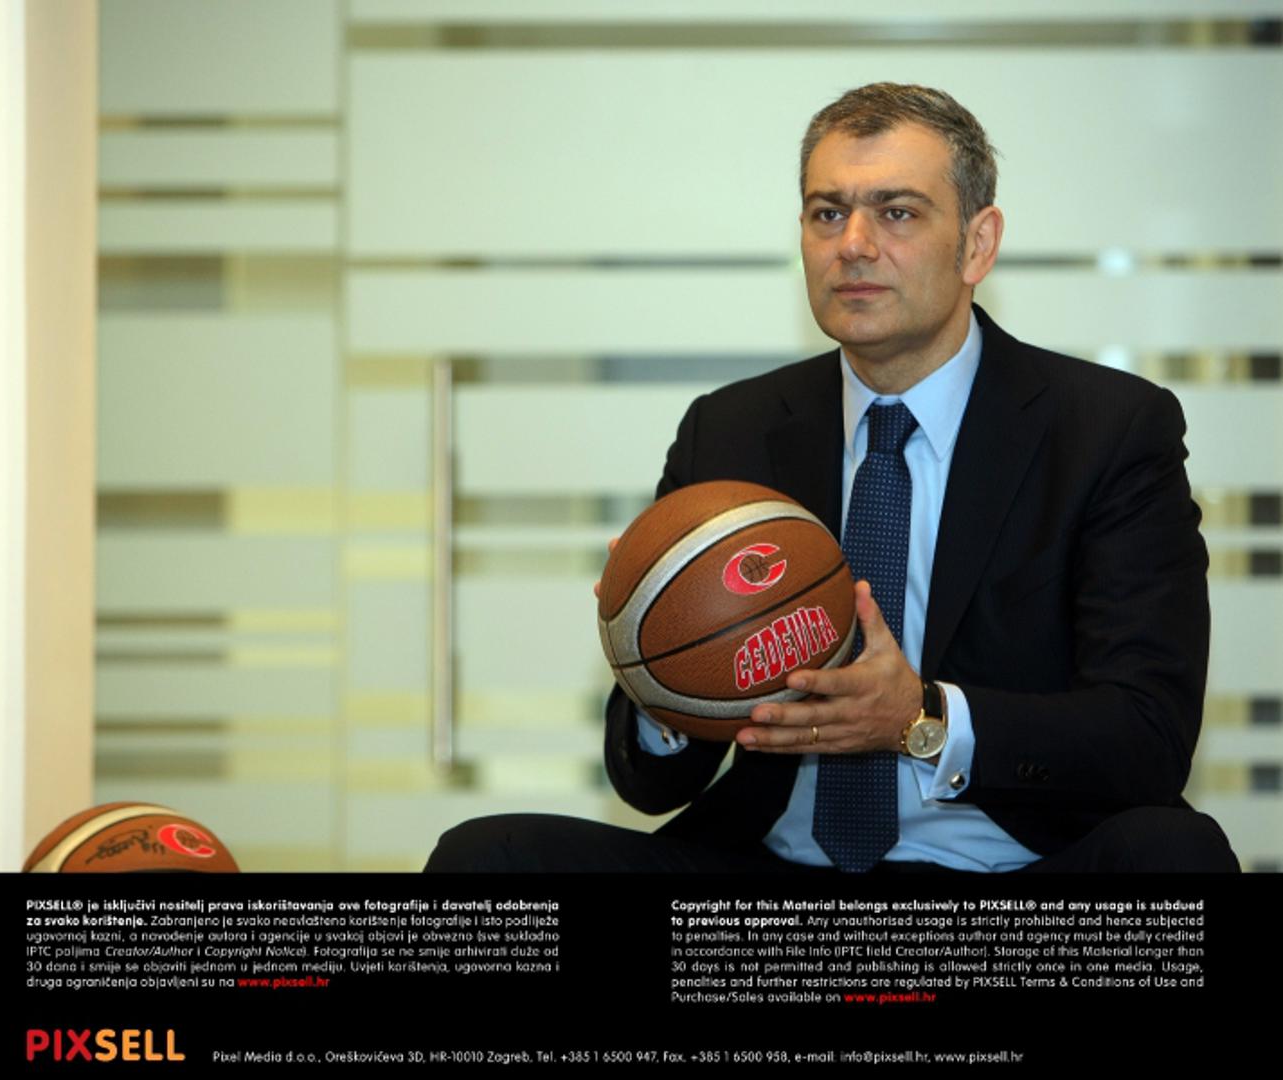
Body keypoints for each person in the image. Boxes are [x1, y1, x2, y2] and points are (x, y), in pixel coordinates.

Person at [426, 82, 1238, 874]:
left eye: (896, 212)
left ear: (977, 244)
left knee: (1176, 856)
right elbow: (649, 785)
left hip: (1010, 879)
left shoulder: (1105, 429)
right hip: (777, 881)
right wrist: (658, 660)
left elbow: (1146, 735)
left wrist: (921, 717)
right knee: (486, 858)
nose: (852, 243)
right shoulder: (730, 428)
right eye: (826, 213)